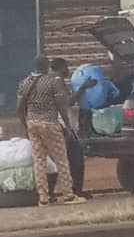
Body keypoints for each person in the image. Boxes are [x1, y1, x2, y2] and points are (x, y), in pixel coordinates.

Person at [17, 55, 86, 207]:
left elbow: (19, 108)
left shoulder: (24, 83)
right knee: (61, 159)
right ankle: (68, 195)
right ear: (46, 66)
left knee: (39, 161)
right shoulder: (52, 81)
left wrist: (26, 125)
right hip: (50, 123)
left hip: (32, 123)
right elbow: (62, 105)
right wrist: (67, 126)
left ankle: (43, 198)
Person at [50, 58, 95, 199]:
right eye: (66, 66)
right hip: (61, 126)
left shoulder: (52, 80)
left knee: (57, 160)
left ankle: (51, 193)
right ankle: (74, 191)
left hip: (56, 125)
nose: (67, 69)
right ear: (60, 68)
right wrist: (83, 87)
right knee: (75, 159)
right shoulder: (57, 81)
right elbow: (68, 102)